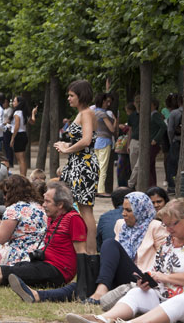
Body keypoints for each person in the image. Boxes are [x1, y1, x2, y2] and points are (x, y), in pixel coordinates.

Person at [13, 192, 168, 304]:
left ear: (141, 211)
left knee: (109, 244)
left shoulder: (156, 227)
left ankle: (101, 291)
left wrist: (152, 277)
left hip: (142, 278)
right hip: (119, 274)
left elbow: (164, 260)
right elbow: (116, 257)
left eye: (129, 210)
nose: (123, 214)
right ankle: (38, 295)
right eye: (123, 209)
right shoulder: (121, 225)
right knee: (84, 284)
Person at [65, 198, 184, 323]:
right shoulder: (170, 240)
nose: (168, 229)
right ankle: (102, 319)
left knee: (180, 301)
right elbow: (157, 269)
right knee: (137, 292)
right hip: (163, 294)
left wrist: (164, 277)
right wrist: (149, 280)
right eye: (165, 225)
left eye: (171, 225)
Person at [0, 182, 87, 288]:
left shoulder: (73, 219)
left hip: (56, 270)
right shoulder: (52, 217)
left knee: (5, 272)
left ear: (60, 204)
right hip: (42, 261)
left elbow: (82, 253)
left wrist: (82, 286)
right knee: (11, 270)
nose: (43, 204)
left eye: (47, 202)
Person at [55, 79, 99, 254]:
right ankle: (76, 249)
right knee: (71, 204)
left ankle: (90, 253)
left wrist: (67, 149)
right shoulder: (82, 113)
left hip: (84, 164)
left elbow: (86, 140)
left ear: (81, 96)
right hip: (77, 163)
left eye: (71, 95)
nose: (68, 98)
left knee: (85, 209)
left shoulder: (87, 113)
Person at [0, 175, 46, 268]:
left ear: (12, 193)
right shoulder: (38, 207)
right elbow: (18, 231)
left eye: (5, 193)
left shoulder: (14, 209)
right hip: (37, 254)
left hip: (19, 256)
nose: (4, 196)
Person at [93, 93, 117, 196]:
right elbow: (111, 129)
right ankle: (101, 190)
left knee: (96, 167)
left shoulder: (93, 112)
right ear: (102, 101)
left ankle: (95, 188)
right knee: (103, 168)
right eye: (106, 101)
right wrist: (116, 120)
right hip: (105, 141)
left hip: (95, 141)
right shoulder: (103, 114)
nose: (108, 103)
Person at [10, 96, 35, 177]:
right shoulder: (24, 113)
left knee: (20, 159)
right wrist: (33, 113)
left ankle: (22, 176)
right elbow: (32, 122)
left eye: (14, 101)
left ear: (19, 103)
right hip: (24, 134)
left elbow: (16, 126)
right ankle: (23, 176)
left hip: (18, 135)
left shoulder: (17, 113)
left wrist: (13, 138)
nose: (13, 103)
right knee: (22, 159)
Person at [164, 94, 182, 193]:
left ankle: (172, 186)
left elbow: (170, 130)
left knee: (172, 164)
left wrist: (171, 141)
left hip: (176, 141)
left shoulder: (174, 113)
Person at [147, 98, 167, 188]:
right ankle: (152, 184)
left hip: (153, 143)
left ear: (154, 105)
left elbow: (163, 126)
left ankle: (151, 184)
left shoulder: (155, 115)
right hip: (151, 142)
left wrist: (156, 139)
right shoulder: (151, 115)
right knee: (150, 164)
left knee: (148, 163)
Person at [127, 97, 141, 189]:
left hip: (143, 142)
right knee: (133, 166)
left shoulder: (148, 114)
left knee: (138, 165)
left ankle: (130, 184)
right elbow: (130, 130)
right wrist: (128, 143)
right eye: (137, 102)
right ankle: (135, 185)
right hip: (134, 141)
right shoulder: (132, 116)